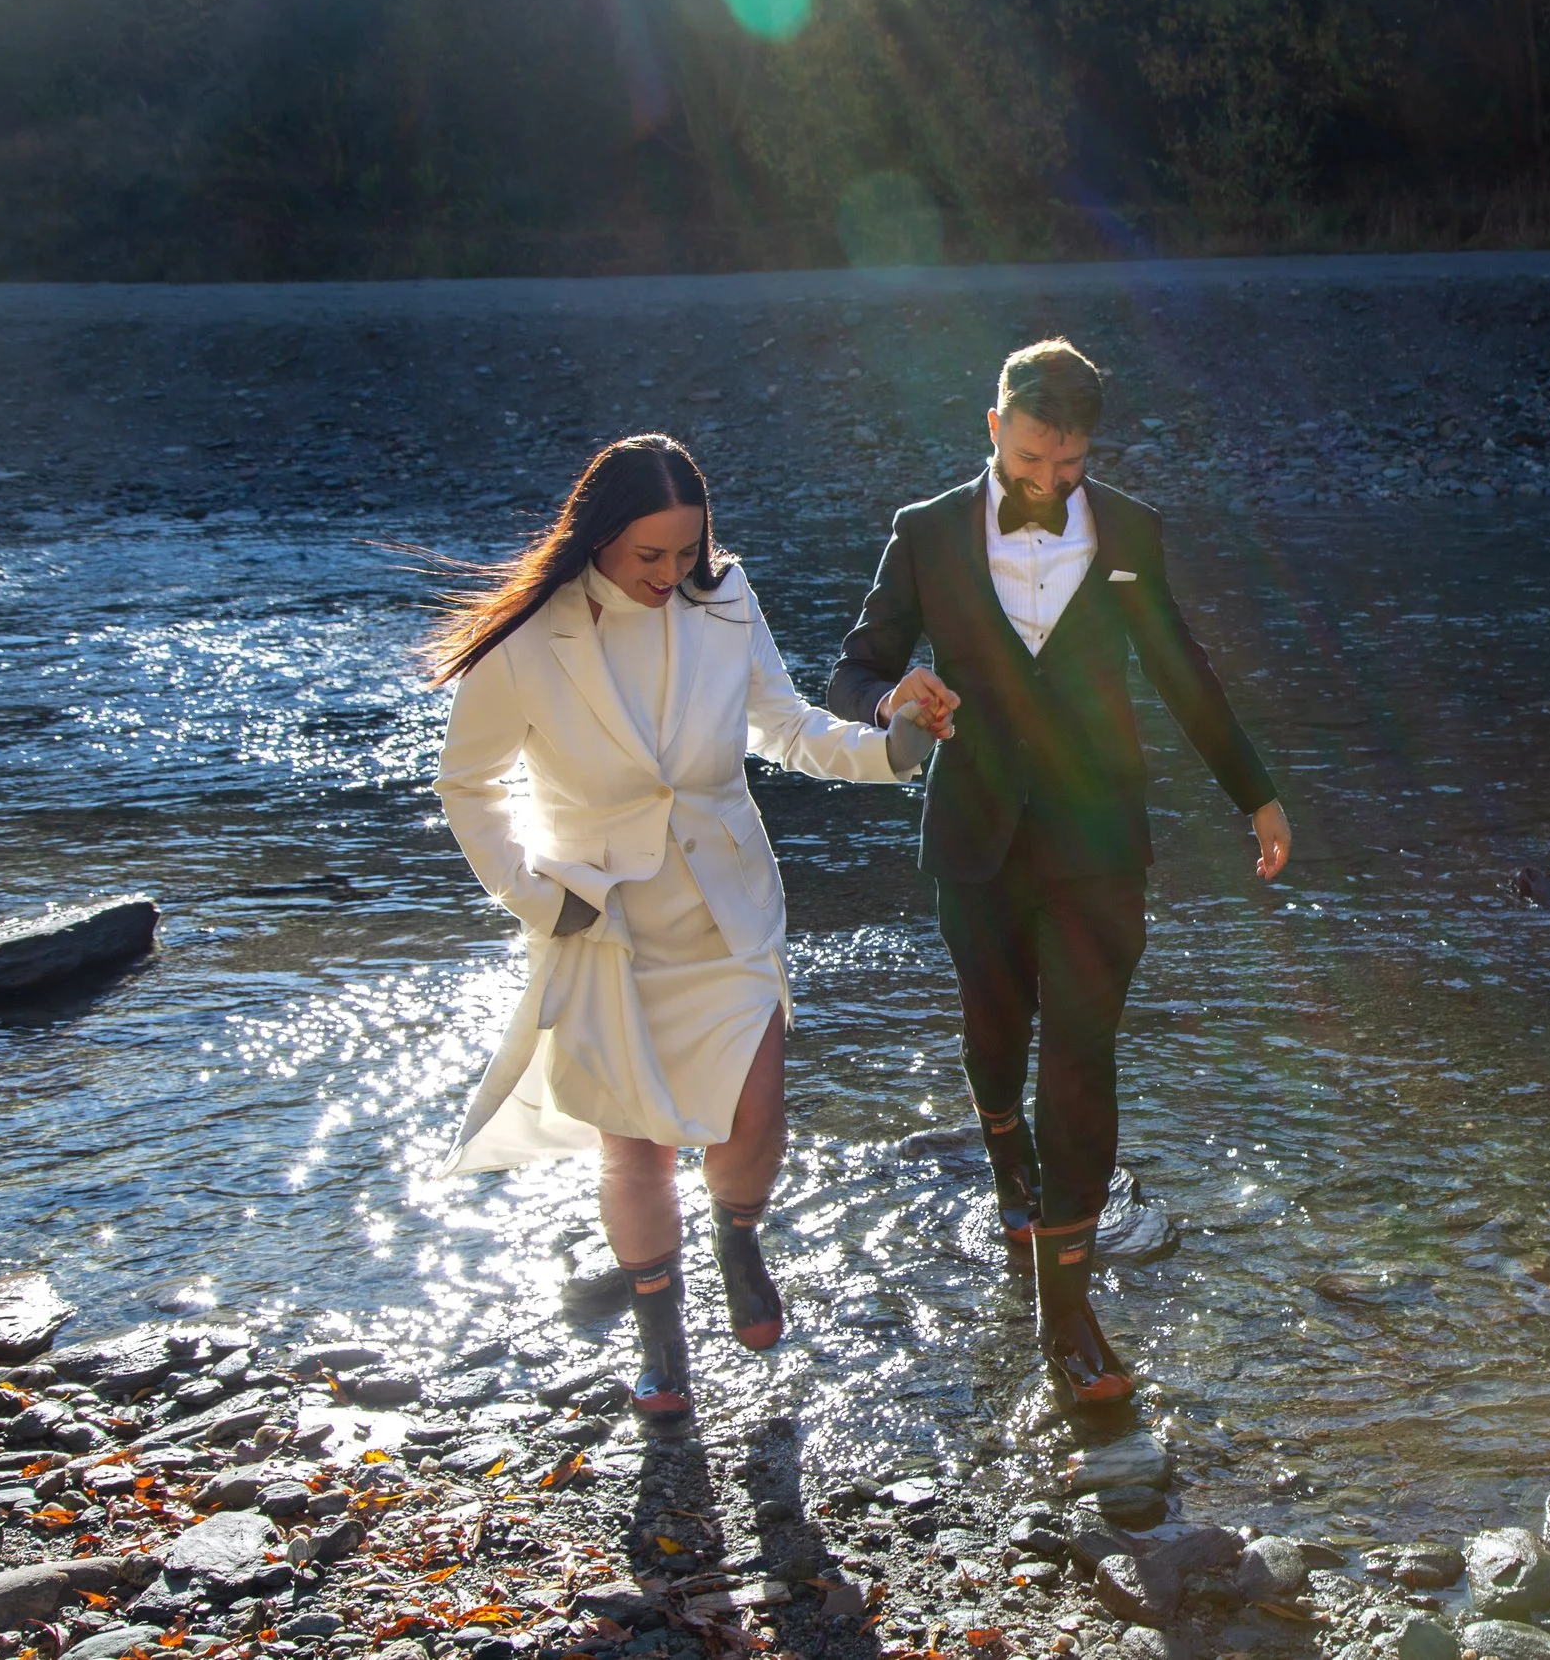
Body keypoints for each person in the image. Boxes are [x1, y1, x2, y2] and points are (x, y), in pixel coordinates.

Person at [423, 434, 930, 1422]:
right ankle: (663, 1340)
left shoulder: (725, 595)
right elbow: (468, 788)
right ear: (599, 538)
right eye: (649, 556)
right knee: (636, 1150)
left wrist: (895, 748)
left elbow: (783, 725)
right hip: (603, 922)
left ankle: (737, 1234)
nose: (670, 576)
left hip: (727, 905)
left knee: (755, 1108)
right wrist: (538, 896)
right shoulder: (528, 641)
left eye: (686, 552)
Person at [828, 339, 1289, 1405]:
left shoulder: (1129, 532)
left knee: (1082, 1052)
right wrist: (895, 695)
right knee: (997, 1034)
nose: (1048, 482)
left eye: (1067, 467)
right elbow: (857, 664)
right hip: (976, 837)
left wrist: (1252, 792)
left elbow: (1181, 669)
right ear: (994, 427)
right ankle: (1005, 1157)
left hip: (1097, 842)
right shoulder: (926, 533)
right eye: (1031, 459)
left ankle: (1068, 1309)